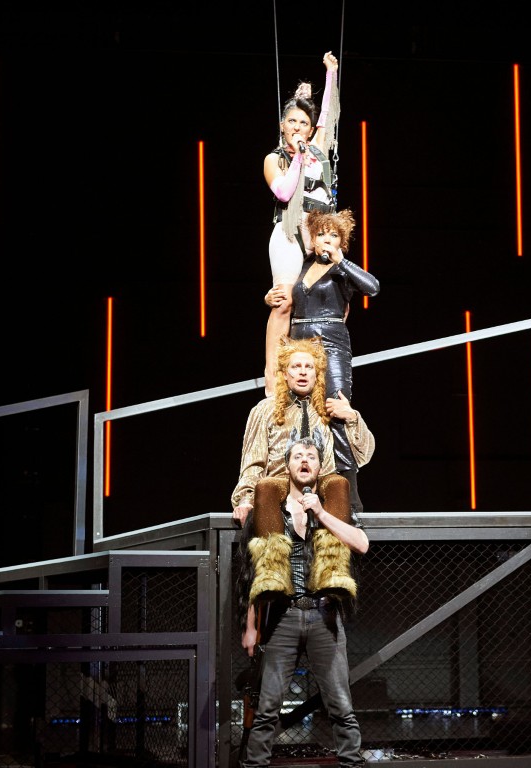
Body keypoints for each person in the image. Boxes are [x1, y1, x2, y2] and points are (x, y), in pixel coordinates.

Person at [237, 435, 368, 768]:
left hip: (324, 615)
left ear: (320, 466)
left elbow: (361, 544)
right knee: (267, 707)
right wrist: (250, 626)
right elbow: (255, 573)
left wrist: (321, 513)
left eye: (311, 456)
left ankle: (351, 763)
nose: (305, 460)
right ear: (287, 466)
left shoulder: (331, 508)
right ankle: (254, 765)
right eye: (297, 456)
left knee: (341, 705)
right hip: (284, 616)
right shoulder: (272, 511)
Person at [265, 208, 378, 515]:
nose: (327, 239)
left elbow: (373, 287)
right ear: (312, 240)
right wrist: (269, 297)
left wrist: (341, 260)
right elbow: (285, 298)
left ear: (342, 241)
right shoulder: (302, 268)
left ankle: (349, 498)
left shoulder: (342, 271)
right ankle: (296, 491)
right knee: (297, 413)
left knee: (336, 410)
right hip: (300, 344)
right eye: (321, 234)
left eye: (334, 235)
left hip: (332, 343)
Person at [231, 334, 374, 535]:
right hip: (281, 482)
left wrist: (352, 417)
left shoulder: (329, 407)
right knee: (266, 486)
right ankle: (273, 554)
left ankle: (332, 553)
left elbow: (364, 455)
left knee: (339, 483)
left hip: (320, 481)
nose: (303, 372)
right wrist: (245, 499)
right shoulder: (265, 409)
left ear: (317, 374)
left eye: (309, 367)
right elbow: (253, 462)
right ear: (285, 373)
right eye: (296, 366)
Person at [262, 51, 340, 395]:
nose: (297, 127)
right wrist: (298, 156)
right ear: (283, 125)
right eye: (292, 121)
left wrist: (331, 74)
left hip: (319, 234)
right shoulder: (275, 159)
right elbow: (283, 191)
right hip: (289, 234)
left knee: (335, 300)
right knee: (284, 302)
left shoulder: (317, 147)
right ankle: (272, 378)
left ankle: (319, 373)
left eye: (304, 123)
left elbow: (330, 115)